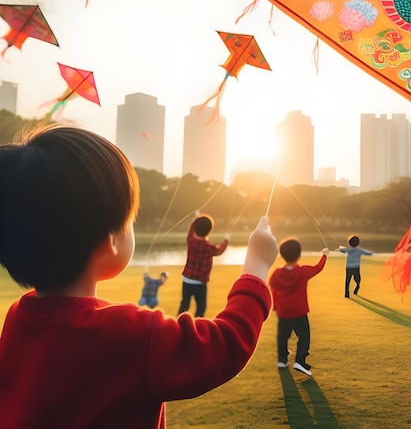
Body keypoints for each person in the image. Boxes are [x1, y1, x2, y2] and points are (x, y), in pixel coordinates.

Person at [0, 124, 278, 428]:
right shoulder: (132, 333)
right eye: (131, 218)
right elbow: (225, 344)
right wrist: (257, 268)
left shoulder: (18, 319)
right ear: (111, 239)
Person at [269, 237, 330, 376]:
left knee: (282, 336)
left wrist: (277, 307)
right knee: (304, 336)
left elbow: (272, 289)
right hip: (299, 312)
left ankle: (282, 359)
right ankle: (300, 361)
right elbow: (318, 268)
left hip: (283, 312)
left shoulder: (277, 273)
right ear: (299, 254)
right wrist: (324, 255)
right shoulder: (302, 271)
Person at [177, 214, 229, 318]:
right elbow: (220, 250)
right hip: (200, 283)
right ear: (209, 231)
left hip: (186, 279)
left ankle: (178, 325)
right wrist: (226, 241)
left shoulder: (190, 241)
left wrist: (195, 220)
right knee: (201, 307)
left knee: (184, 304)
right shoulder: (209, 247)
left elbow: (190, 232)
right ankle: (196, 327)